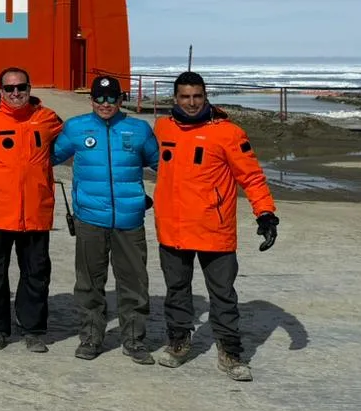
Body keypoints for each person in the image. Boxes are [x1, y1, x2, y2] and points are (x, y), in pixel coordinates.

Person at [153, 71, 279, 382]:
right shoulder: (162, 128)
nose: (192, 102)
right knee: (177, 290)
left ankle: (230, 352)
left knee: (222, 294)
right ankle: (179, 342)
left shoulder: (228, 133)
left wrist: (265, 213)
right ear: (175, 98)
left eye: (197, 96)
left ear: (205, 96)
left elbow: (251, 176)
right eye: (185, 96)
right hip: (173, 226)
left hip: (214, 227)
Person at [53, 74, 160, 364]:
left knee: (134, 283)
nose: (105, 103)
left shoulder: (138, 129)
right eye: (99, 98)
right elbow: (45, 156)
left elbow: (163, 165)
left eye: (111, 97)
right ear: (91, 100)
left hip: (129, 219)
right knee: (89, 283)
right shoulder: (76, 128)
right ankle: (90, 337)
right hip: (89, 218)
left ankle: (134, 340)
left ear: (121, 99)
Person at [0, 67, 64, 352]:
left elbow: (66, 146)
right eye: (9, 89)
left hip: (36, 210)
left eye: (21, 87)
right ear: (0, 90)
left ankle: (33, 329)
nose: (15, 93)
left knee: (36, 272)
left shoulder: (47, 119)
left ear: (30, 88)